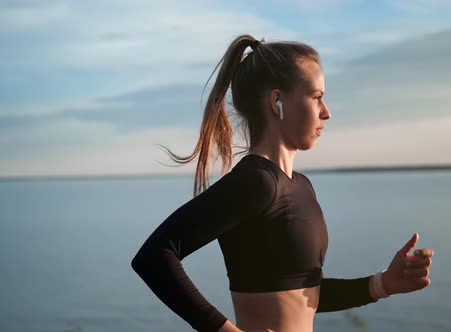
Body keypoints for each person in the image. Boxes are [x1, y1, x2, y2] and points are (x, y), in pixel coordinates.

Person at [131, 34, 434, 332]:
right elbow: (155, 255)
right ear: (277, 101)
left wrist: (382, 285)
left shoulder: (300, 186)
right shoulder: (256, 182)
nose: (326, 112)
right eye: (317, 97)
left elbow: (303, 297)